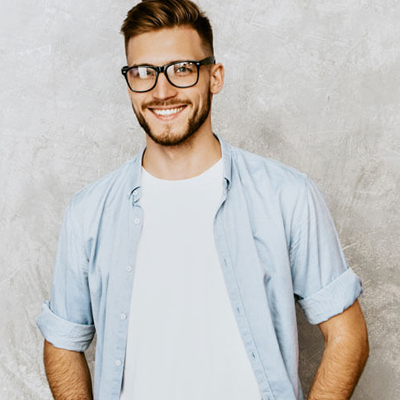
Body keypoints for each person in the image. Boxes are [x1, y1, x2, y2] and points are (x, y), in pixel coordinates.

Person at [36, 0, 369, 399]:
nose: (162, 92)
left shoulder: (287, 196)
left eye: (182, 69)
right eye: (143, 73)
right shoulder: (88, 213)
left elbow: (348, 336)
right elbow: (62, 342)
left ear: (215, 77)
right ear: (129, 83)